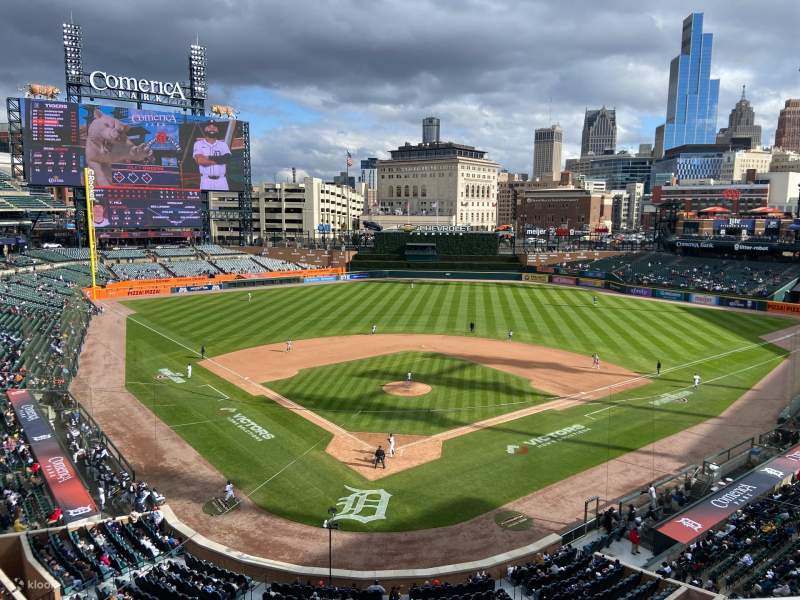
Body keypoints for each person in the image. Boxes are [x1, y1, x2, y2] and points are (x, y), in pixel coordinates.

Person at [192, 121, 231, 190]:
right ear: (205, 129)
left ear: (218, 130)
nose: (212, 129)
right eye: (209, 127)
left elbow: (227, 159)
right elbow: (201, 161)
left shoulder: (223, 144)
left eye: (214, 127)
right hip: (206, 181)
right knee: (206, 200)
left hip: (221, 181)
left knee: (224, 200)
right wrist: (220, 160)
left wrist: (207, 157)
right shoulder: (198, 144)